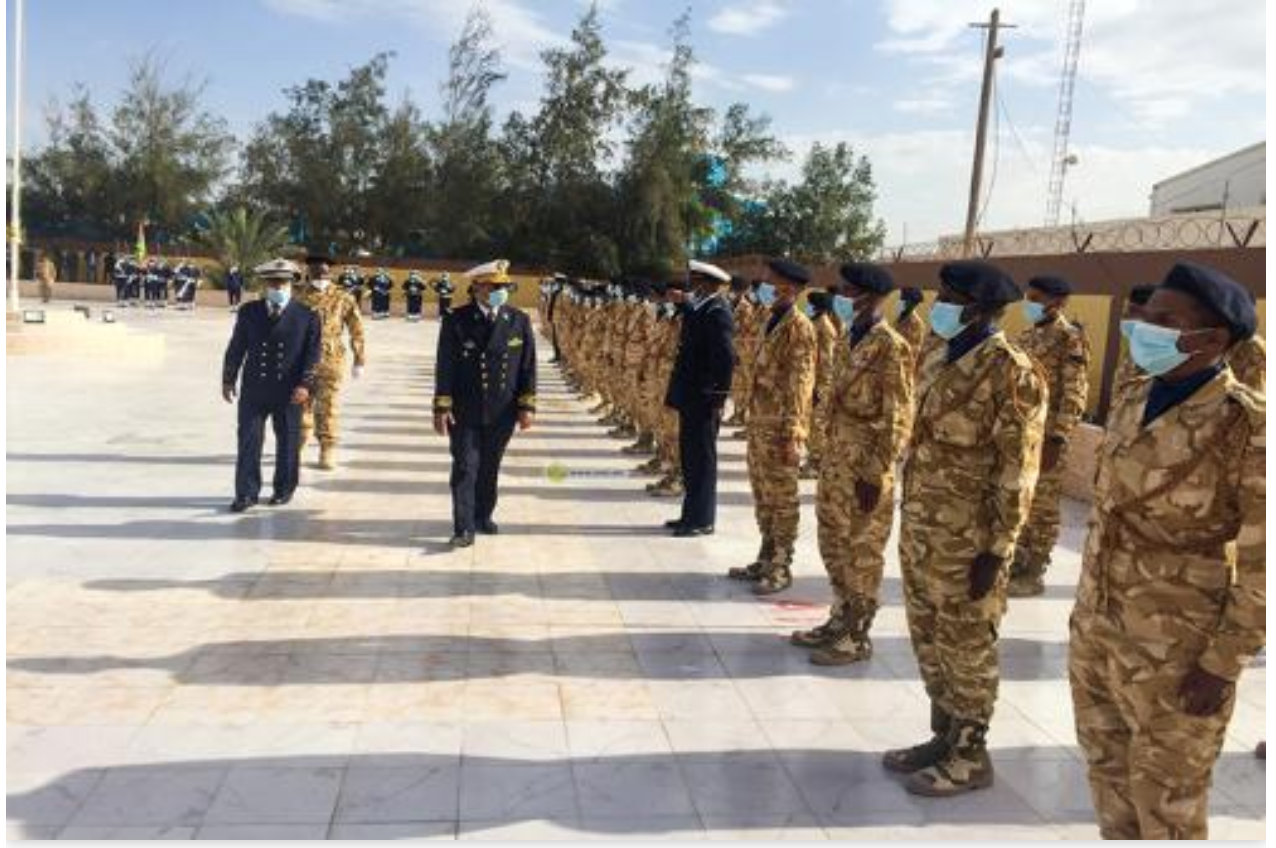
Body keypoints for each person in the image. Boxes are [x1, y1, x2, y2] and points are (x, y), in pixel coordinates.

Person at [1068, 261, 1265, 839]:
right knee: (1110, 787)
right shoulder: (1132, 396)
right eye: (1145, 315)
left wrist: (1221, 665)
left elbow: (1263, 565)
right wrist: (1084, 618)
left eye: (1163, 320)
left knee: (1167, 805)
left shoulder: (1248, 426)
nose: (1142, 328)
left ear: (1211, 340)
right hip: (1099, 631)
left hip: (1179, 650)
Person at [886, 259, 1046, 797]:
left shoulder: (1011, 370)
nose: (940, 305)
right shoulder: (939, 353)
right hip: (924, 529)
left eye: (950, 297)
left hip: (970, 540)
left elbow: (1018, 470)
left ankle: (972, 753)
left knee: (967, 644)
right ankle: (945, 735)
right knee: (929, 637)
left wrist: (997, 550)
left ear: (979, 308)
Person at [796, 262, 914, 666]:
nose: (842, 297)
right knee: (833, 544)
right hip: (835, 462)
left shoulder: (891, 346)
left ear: (873, 296)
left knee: (862, 553)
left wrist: (875, 471)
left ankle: (858, 635)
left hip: (864, 469)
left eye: (849, 290)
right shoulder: (850, 337)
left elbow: (898, 416)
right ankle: (839, 618)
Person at [727, 258, 818, 595]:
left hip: (781, 427)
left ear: (791, 288)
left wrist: (794, 434)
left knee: (782, 498)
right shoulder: (769, 318)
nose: (764, 285)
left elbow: (801, 383)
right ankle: (766, 555)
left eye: (771, 280)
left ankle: (781, 564)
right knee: (763, 494)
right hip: (760, 421)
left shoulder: (800, 328)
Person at [433, 259, 537, 548]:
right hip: (465, 409)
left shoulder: (518, 320)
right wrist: (442, 406)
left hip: (502, 410)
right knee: (466, 466)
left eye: (504, 287)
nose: (501, 292)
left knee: (490, 466)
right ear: (477, 287)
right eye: (495, 286)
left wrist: (527, 406)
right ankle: (463, 528)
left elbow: (527, 366)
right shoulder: (457, 319)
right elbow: (445, 366)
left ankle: (482, 515)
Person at [1008, 275, 1091, 597]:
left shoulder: (1070, 338)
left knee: (1042, 506)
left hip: (1047, 437)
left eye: (1036, 298)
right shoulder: (1027, 335)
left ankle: (1035, 569)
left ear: (1058, 302)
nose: (1029, 303)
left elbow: (1075, 391)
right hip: (1021, 433)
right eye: (1028, 297)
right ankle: (1018, 558)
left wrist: (1058, 439)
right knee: (1020, 500)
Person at [221, 259, 322, 513]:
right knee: (248, 440)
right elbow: (237, 347)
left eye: (282, 282)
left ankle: (284, 489)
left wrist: (305, 385)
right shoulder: (249, 312)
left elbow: (312, 355)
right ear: (264, 284)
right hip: (255, 388)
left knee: (288, 441)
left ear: (292, 284)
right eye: (272, 282)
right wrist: (228, 378)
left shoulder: (307, 316)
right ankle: (246, 493)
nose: (277, 286)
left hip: (289, 391)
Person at [663, 260, 735, 537]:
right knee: (690, 457)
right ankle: (690, 514)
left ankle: (703, 519)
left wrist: (718, 396)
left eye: (695, 280)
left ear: (707, 283)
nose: (691, 285)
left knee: (702, 460)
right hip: (691, 396)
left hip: (704, 398)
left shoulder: (718, 311)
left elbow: (725, 358)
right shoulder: (702, 307)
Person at [298, 251, 367, 471]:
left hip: (331, 357)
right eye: (315, 268)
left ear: (330, 271)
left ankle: (326, 448)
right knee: (300, 401)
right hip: (300, 358)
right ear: (308, 271)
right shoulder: (297, 295)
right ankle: (298, 443)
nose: (319, 272)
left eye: (324, 268)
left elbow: (356, 328)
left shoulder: (343, 296)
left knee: (328, 405)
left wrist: (359, 359)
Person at [895, 286, 928, 362]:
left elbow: (912, 353)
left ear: (914, 303)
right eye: (901, 298)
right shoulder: (900, 317)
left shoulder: (917, 325)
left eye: (904, 299)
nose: (901, 301)